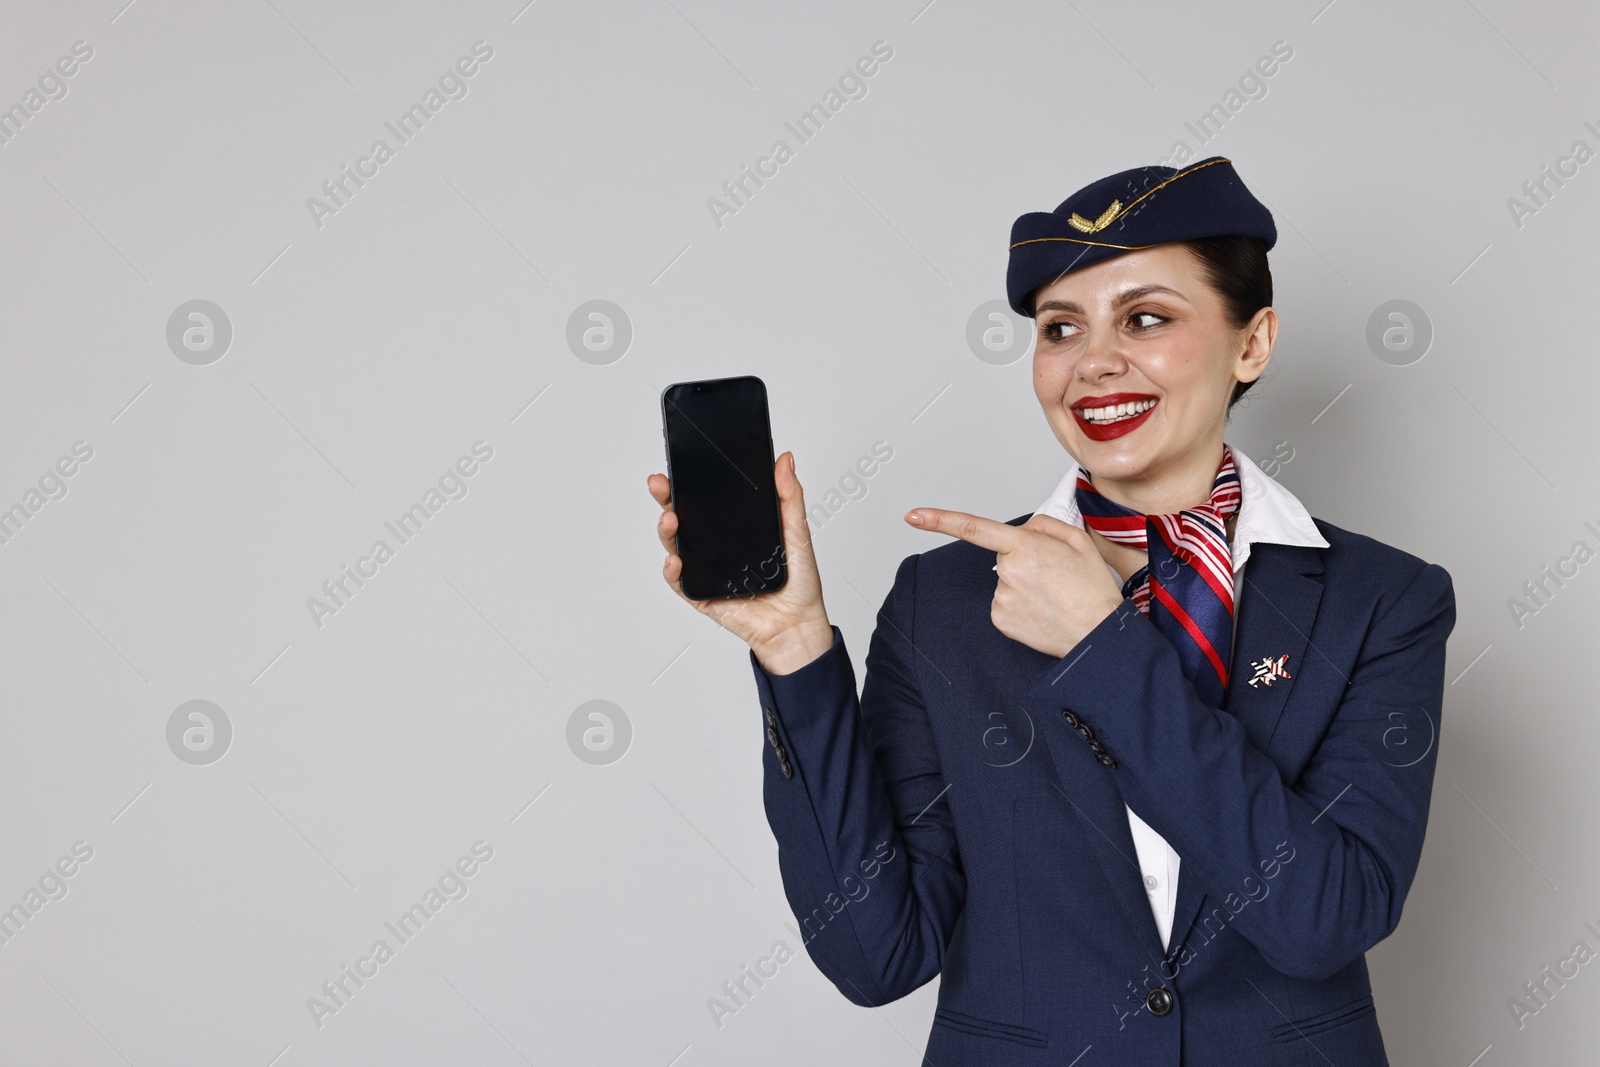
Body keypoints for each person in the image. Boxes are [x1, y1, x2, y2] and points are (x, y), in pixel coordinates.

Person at [647, 155, 1456, 1065]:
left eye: (1146, 317)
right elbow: (877, 953)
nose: (1094, 363)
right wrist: (794, 648)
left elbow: (1323, 917)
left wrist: (1104, 647)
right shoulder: (941, 602)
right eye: (1060, 328)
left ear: (1253, 342)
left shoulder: (1382, 599)